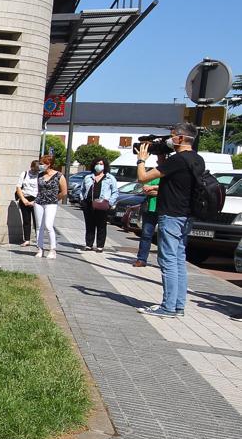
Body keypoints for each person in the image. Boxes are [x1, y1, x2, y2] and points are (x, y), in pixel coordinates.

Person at [135, 122, 204, 317]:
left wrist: (141, 160)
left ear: (181, 138)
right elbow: (179, 186)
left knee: (168, 260)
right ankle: (178, 305)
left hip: (171, 215)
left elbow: (143, 177)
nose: (169, 140)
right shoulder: (197, 159)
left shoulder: (178, 160)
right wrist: (161, 158)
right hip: (185, 215)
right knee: (179, 260)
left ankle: (167, 307)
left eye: (172, 136)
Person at [79, 159, 118, 253]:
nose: (99, 166)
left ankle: (100, 246)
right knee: (89, 225)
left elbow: (115, 192)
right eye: (97, 164)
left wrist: (110, 203)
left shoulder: (110, 178)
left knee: (101, 225)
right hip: (88, 204)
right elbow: (82, 189)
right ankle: (89, 244)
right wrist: (82, 200)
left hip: (102, 204)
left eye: (101, 164)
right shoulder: (88, 177)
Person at [34, 154, 67, 258]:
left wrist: (55, 198)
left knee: (48, 225)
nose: (40, 165)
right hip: (39, 202)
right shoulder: (40, 175)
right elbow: (39, 189)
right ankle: (40, 248)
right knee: (39, 226)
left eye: (42, 163)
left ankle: (52, 249)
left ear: (49, 164)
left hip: (51, 203)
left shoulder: (59, 175)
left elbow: (64, 192)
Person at [133, 176, 160, 267]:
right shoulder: (153, 174)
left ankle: (163, 262)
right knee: (146, 235)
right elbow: (145, 189)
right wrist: (158, 190)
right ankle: (141, 259)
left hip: (164, 210)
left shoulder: (170, 173)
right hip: (149, 209)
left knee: (164, 237)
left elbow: (168, 191)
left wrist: (153, 187)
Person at [15, 158, 39, 245]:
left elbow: (42, 189)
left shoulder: (40, 175)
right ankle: (27, 239)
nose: (35, 171)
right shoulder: (24, 174)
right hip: (25, 198)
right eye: (34, 169)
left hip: (36, 199)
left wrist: (35, 201)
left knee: (37, 221)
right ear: (31, 167)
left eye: (37, 170)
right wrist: (23, 199)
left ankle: (38, 239)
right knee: (26, 220)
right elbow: (18, 187)